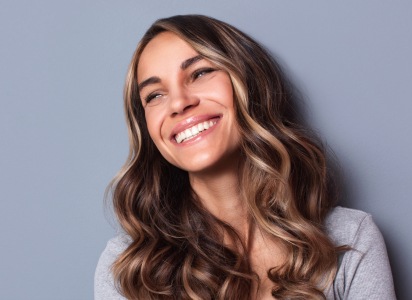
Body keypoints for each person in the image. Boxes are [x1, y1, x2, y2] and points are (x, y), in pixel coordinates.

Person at [95, 15, 396, 299]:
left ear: (248, 83)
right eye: (154, 95)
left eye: (200, 73)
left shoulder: (350, 241)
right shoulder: (129, 268)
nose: (178, 103)